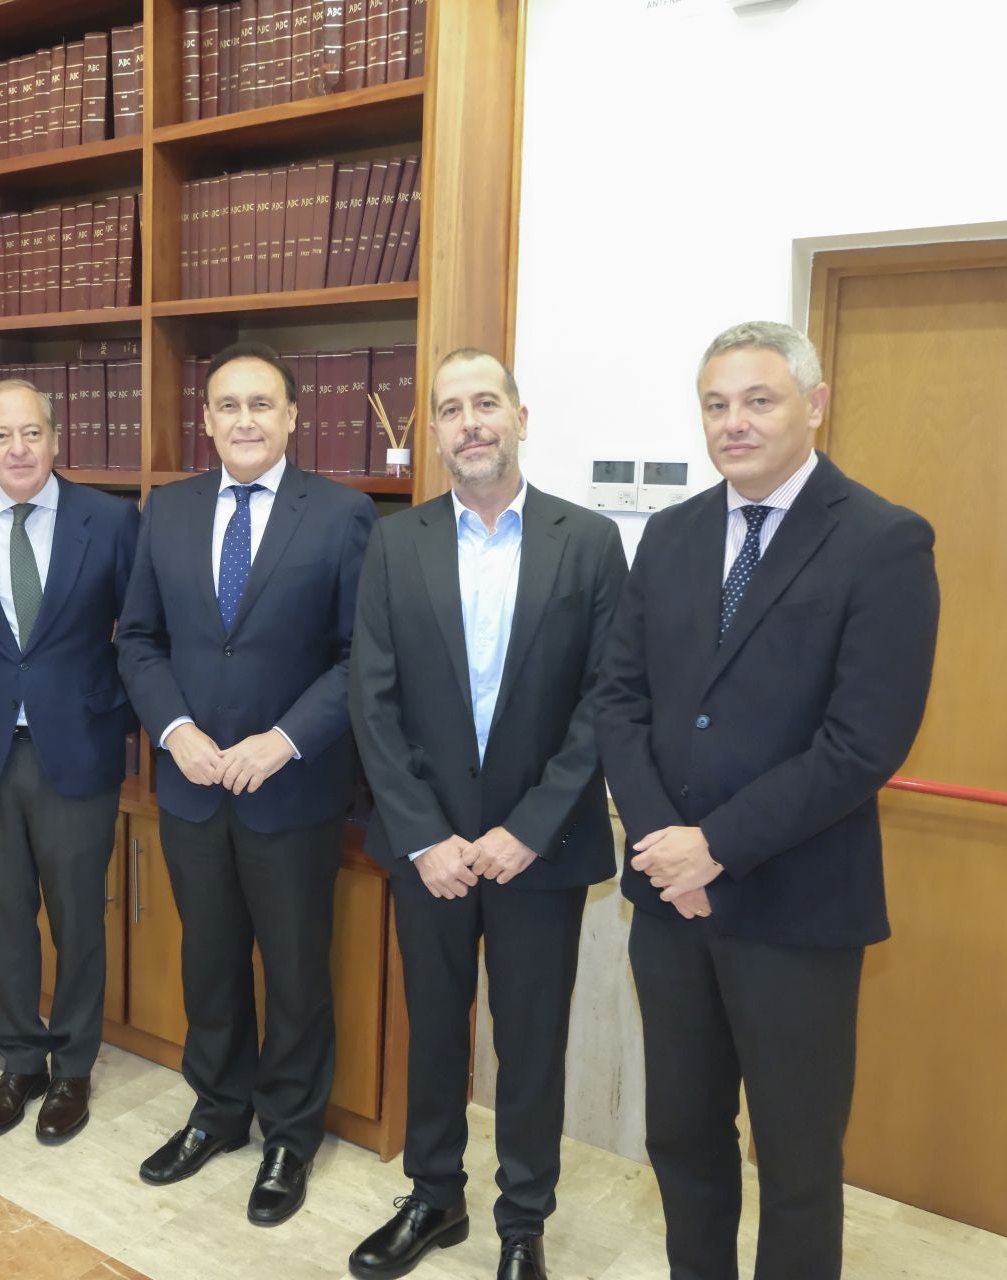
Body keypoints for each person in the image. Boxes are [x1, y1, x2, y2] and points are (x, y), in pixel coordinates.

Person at [593, 321, 941, 1279]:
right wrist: (666, 840)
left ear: (814, 405)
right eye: (716, 404)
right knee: (682, 1140)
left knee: (795, 1163)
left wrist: (717, 846)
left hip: (795, 913)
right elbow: (620, 700)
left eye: (759, 400)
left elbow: (863, 742)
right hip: (671, 908)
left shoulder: (882, 540)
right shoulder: (671, 534)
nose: (733, 423)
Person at [346, 349, 628, 1280]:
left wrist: (528, 827)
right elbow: (372, 701)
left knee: (531, 1038)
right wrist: (425, 835)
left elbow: (605, 700)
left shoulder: (587, 541)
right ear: (433, 430)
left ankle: (522, 1222)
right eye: (450, 409)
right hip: (427, 849)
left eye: (486, 404)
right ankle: (433, 1199)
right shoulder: (397, 541)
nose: (469, 422)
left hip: (537, 852)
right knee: (433, 1029)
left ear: (519, 417)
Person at [116, 340, 375, 1225]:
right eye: (228, 405)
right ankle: (218, 1112)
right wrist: (177, 731)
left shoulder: (343, 514)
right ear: (207, 419)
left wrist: (285, 740)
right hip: (190, 786)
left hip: (292, 791)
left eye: (262, 404)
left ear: (295, 416)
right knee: (209, 960)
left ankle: (289, 1137)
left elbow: (358, 658)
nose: (245, 421)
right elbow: (138, 640)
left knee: (298, 972)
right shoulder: (170, 510)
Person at [0, 379, 139, 1143]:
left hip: (77, 750)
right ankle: (18, 1061)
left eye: (32, 434)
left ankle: (73, 1067)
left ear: (57, 439)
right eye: (2, 436)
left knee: (79, 917)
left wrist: (116, 718)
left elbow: (140, 634)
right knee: (6, 914)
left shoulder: (111, 519)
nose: (18, 449)